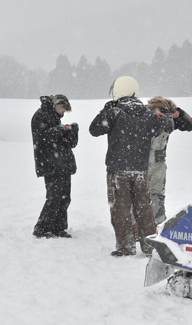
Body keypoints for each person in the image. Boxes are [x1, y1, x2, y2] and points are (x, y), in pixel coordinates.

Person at [89, 76, 166, 257]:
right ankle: (150, 247)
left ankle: (126, 247)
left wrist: (107, 109)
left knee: (120, 209)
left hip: (118, 170)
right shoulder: (148, 114)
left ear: (117, 91)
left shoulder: (114, 112)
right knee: (144, 208)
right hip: (140, 170)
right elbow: (158, 128)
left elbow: (94, 130)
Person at [31, 94, 78, 239]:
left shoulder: (55, 118)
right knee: (54, 197)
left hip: (62, 164)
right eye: (63, 109)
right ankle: (42, 229)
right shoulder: (40, 116)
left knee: (65, 197)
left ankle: (58, 228)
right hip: (51, 165)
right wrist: (63, 129)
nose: (63, 113)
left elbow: (65, 142)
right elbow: (43, 138)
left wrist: (72, 131)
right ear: (56, 106)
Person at [145, 96, 192, 225]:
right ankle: (137, 227)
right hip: (141, 162)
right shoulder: (142, 117)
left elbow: (190, 125)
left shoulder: (170, 121)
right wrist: (150, 116)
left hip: (158, 164)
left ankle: (157, 225)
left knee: (157, 196)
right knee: (139, 196)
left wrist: (179, 113)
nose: (163, 118)